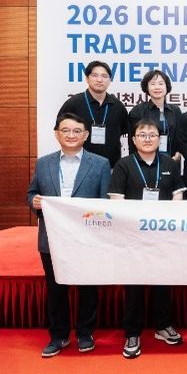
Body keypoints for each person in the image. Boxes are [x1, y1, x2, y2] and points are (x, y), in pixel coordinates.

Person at [27, 113, 111, 357]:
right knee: (56, 289)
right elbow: (31, 193)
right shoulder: (44, 163)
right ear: (57, 134)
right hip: (52, 238)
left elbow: (106, 201)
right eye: (65, 130)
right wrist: (35, 201)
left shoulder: (100, 164)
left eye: (76, 131)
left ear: (85, 135)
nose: (71, 135)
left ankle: (85, 333)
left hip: (88, 238)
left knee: (87, 288)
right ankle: (59, 336)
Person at [108, 118, 186, 359]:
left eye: (152, 134)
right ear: (133, 139)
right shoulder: (123, 165)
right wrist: (137, 225)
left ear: (160, 139)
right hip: (132, 236)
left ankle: (163, 326)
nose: (148, 138)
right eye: (142, 135)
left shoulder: (170, 164)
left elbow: (178, 197)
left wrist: (166, 223)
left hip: (163, 235)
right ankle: (132, 332)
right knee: (134, 285)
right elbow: (116, 201)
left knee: (163, 281)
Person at [57, 60, 128, 167]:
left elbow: (124, 131)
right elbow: (59, 131)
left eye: (104, 76)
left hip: (111, 167)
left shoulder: (118, 106)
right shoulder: (73, 103)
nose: (99, 80)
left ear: (110, 80)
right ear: (87, 78)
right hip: (79, 166)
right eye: (95, 75)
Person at [128, 70, 182, 161]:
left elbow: (180, 137)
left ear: (166, 86)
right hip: (145, 161)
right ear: (147, 87)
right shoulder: (138, 111)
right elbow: (133, 141)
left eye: (161, 84)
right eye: (152, 84)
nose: (157, 87)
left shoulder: (175, 110)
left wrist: (178, 154)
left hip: (172, 160)